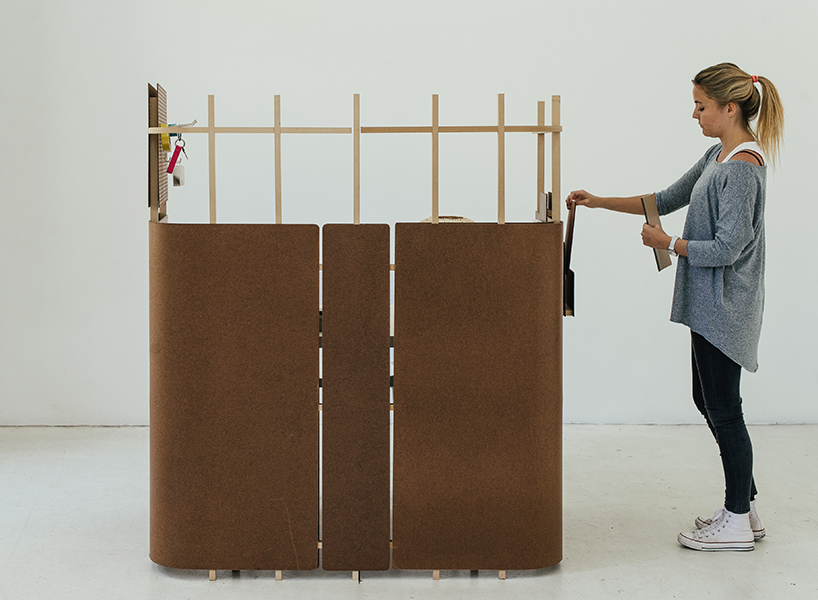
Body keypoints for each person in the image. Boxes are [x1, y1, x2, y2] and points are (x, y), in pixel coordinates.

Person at [566, 63, 784, 551]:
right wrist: (597, 201)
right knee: (707, 400)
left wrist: (672, 243)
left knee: (724, 409)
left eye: (701, 106)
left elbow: (729, 248)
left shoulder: (744, 170)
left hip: (727, 307)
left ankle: (735, 520)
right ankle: (743, 509)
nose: (694, 114)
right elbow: (665, 198)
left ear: (730, 108)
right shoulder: (716, 155)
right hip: (709, 305)